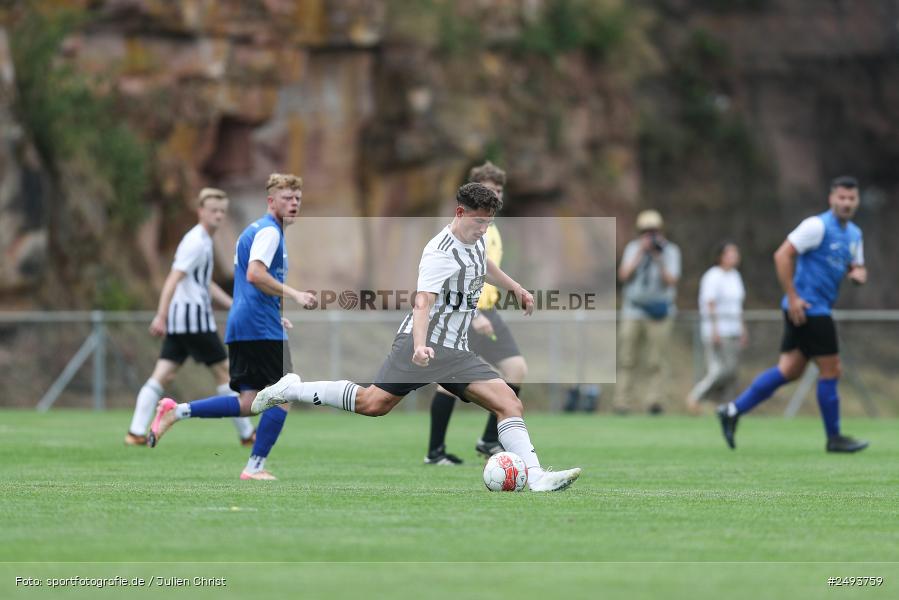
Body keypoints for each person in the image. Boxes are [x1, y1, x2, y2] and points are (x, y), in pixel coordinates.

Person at [249, 183, 581, 492]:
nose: (483, 229)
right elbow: (422, 303)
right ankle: (293, 389)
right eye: (479, 222)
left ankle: (535, 476)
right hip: (422, 344)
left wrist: (516, 288)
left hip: (456, 351)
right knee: (373, 404)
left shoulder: (477, 238)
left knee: (509, 403)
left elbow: (483, 264)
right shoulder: (440, 253)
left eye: (488, 223)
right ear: (460, 212)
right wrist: (420, 345)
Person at [147, 173, 316, 480]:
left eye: (297, 199)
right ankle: (255, 467)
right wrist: (295, 294)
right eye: (287, 198)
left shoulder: (255, 230)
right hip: (258, 326)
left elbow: (251, 284)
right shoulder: (270, 232)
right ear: (271, 201)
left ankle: (178, 411)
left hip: (248, 322)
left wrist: (274, 312)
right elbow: (255, 274)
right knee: (284, 394)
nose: (294, 204)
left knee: (249, 402)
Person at [717, 176, 869, 453]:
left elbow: (855, 267)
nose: (846, 203)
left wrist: (858, 274)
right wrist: (793, 296)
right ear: (831, 199)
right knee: (832, 369)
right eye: (842, 197)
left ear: (857, 201)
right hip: (809, 308)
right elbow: (782, 255)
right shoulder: (816, 226)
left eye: (851, 198)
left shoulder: (855, 235)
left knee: (789, 369)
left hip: (812, 308)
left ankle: (732, 410)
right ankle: (834, 438)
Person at [124, 188, 255, 447]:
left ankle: (136, 432)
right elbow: (173, 278)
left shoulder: (204, 240)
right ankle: (246, 433)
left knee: (163, 373)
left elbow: (204, 282)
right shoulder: (196, 242)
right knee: (224, 372)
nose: (218, 216)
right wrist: (160, 315)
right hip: (194, 320)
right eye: (213, 211)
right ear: (200, 211)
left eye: (222, 211)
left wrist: (232, 305)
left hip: (183, 321)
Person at [425, 161, 529, 465]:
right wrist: (473, 315)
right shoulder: (462, 231)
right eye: (489, 189)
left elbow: (485, 269)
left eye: (499, 190)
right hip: (465, 312)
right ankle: (435, 452)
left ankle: (489, 440)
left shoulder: (490, 230)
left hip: (488, 311)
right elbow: (452, 276)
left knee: (516, 368)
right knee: (448, 382)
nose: (496, 194)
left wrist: (515, 289)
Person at [615, 210, 681, 414]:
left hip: (659, 313)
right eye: (646, 232)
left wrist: (658, 258)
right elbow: (623, 275)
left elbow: (672, 280)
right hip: (633, 310)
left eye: (653, 231)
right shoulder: (633, 248)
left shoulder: (670, 251)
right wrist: (640, 254)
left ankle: (655, 401)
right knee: (627, 358)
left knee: (657, 360)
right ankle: (622, 402)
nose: (650, 236)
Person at [686, 241, 747, 415]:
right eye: (730, 253)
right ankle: (697, 396)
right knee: (721, 370)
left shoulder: (735, 276)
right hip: (719, 330)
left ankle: (725, 408)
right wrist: (714, 330)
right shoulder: (713, 276)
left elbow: (738, 306)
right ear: (720, 256)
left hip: (734, 330)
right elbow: (710, 303)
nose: (734, 257)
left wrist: (743, 329)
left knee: (732, 371)